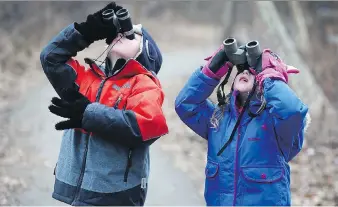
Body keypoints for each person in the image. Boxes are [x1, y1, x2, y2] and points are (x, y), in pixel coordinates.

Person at [40, 2, 168, 206]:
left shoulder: (144, 83)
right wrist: (87, 32)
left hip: (115, 194)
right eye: (123, 31)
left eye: (132, 35)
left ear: (145, 54)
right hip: (79, 191)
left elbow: (147, 126)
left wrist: (88, 114)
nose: (122, 34)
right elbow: (51, 58)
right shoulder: (88, 78)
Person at [175, 43, 310, 206]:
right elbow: (185, 104)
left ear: (265, 82)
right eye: (241, 70)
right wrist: (211, 71)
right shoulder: (219, 119)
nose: (245, 71)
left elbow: (292, 110)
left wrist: (268, 74)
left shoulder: (277, 125)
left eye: (253, 72)